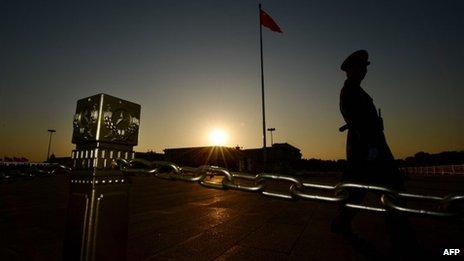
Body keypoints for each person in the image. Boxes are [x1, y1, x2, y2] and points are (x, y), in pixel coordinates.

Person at [331, 50, 418, 257]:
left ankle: (341, 223)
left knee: (357, 192)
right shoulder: (350, 91)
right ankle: (401, 241)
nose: (364, 71)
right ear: (350, 70)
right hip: (369, 150)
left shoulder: (357, 91)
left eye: (364, 67)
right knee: (393, 191)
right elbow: (356, 120)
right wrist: (372, 147)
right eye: (360, 67)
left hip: (366, 150)